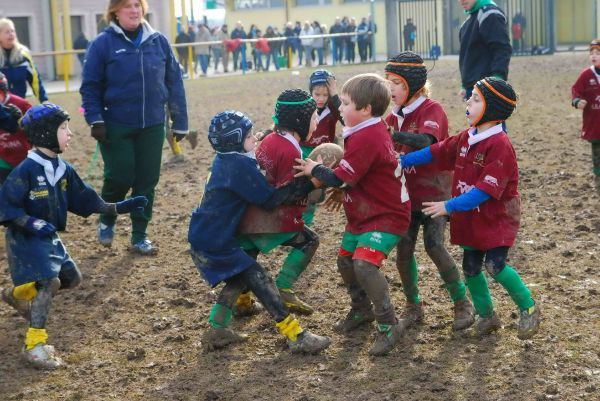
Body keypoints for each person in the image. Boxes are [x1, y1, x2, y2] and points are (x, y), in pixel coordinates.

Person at [0, 103, 148, 369]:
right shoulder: (25, 170)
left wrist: (118, 207)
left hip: (49, 238)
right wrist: (31, 223)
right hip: (24, 238)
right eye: (63, 128)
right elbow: (7, 208)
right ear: (46, 133)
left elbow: (86, 200)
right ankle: (35, 345)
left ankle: (18, 294)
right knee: (49, 282)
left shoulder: (63, 168)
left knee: (72, 279)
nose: (70, 134)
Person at [399, 77, 541, 339]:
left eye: (475, 99)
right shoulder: (467, 137)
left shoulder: (500, 145)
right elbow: (436, 151)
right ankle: (488, 316)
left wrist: (448, 206)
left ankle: (529, 308)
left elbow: (483, 192)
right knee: (471, 268)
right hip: (471, 219)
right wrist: (402, 159)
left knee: (495, 266)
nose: (468, 102)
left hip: (496, 218)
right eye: (470, 97)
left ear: (492, 109)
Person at [188, 110, 331, 354]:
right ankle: (295, 335)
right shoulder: (238, 165)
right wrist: (311, 183)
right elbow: (270, 199)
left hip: (205, 235)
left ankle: (218, 327)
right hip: (215, 240)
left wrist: (262, 137)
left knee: (239, 276)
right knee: (259, 278)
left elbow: (251, 159)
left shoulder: (227, 159)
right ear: (236, 140)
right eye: (249, 136)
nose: (254, 138)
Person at [294, 73, 410, 356]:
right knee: (345, 262)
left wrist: (315, 170)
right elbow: (354, 175)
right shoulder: (364, 129)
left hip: (387, 214)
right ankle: (361, 310)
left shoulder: (368, 135)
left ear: (366, 109)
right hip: (365, 212)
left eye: (344, 103)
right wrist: (343, 186)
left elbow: (344, 176)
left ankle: (388, 323)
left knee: (364, 265)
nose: (340, 108)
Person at [80, 0, 188, 255]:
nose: (134, 10)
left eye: (137, 5)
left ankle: (140, 235)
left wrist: (180, 121)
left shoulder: (158, 41)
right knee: (120, 176)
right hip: (115, 125)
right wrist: (95, 119)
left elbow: (174, 82)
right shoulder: (102, 44)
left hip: (152, 124)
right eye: (127, 5)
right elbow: (90, 87)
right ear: (115, 11)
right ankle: (107, 217)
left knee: (147, 181)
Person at [384, 52, 474, 331]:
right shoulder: (391, 117)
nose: (390, 89)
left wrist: (392, 135)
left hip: (435, 194)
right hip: (406, 197)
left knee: (434, 246)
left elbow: (426, 142)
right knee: (403, 251)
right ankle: (414, 305)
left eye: (396, 82)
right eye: (388, 82)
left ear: (413, 85)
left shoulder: (431, 109)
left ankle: (462, 302)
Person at [236, 89, 319, 315]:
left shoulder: (271, 138)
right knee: (310, 240)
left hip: (246, 214)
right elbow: (287, 192)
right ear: (300, 120)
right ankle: (285, 287)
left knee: (248, 256)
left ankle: (241, 300)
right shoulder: (290, 148)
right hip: (266, 216)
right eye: (313, 117)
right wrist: (316, 183)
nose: (317, 122)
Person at [458, 0, 512, 100]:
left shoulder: (490, 15)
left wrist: (497, 79)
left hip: (488, 88)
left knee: (490, 116)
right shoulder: (467, 23)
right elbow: (466, 57)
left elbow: (501, 49)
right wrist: (465, 85)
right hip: (473, 89)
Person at [571, 39, 600, 193]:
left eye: (598, 53)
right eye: (592, 53)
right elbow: (576, 89)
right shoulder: (586, 75)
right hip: (594, 122)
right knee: (597, 150)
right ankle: (597, 176)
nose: (594, 56)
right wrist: (576, 101)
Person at [0, 18, 48, 104]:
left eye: (12, 31)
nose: (11, 34)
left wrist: (43, 99)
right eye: (7, 32)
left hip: (19, 105)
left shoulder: (23, 54)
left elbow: (35, 79)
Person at [0, 71, 31, 183]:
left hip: (23, 155)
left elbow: (35, 127)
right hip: (2, 158)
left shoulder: (21, 104)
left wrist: (21, 121)